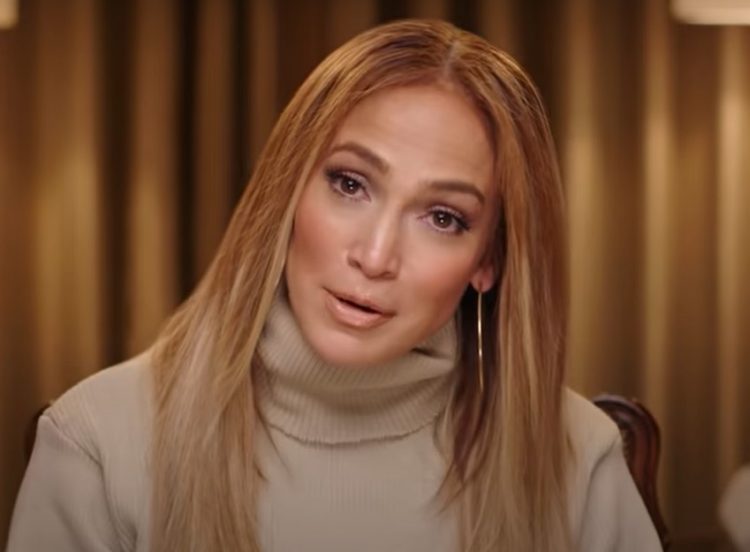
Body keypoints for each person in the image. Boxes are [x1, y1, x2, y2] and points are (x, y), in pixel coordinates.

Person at [6, 19, 662, 552]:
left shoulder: (578, 458)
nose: (375, 257)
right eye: (350, 184)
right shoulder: (99, 439)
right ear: (287, 190)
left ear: (488, 261)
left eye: (443, 217)